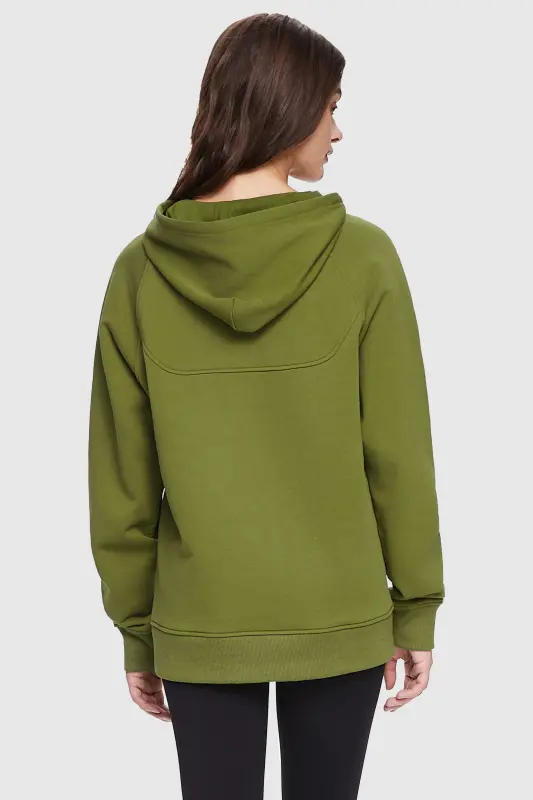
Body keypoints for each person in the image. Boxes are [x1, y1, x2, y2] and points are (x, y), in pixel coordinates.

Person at [87, 11, 445, 800]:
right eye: (331, 107)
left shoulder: (140, 272)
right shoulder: (363, 256)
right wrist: (415, 607)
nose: (337, 131)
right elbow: (397, 456)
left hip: (201, 623)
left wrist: (138, 630)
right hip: (339, 614)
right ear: (288, 106)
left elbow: (121, 483)